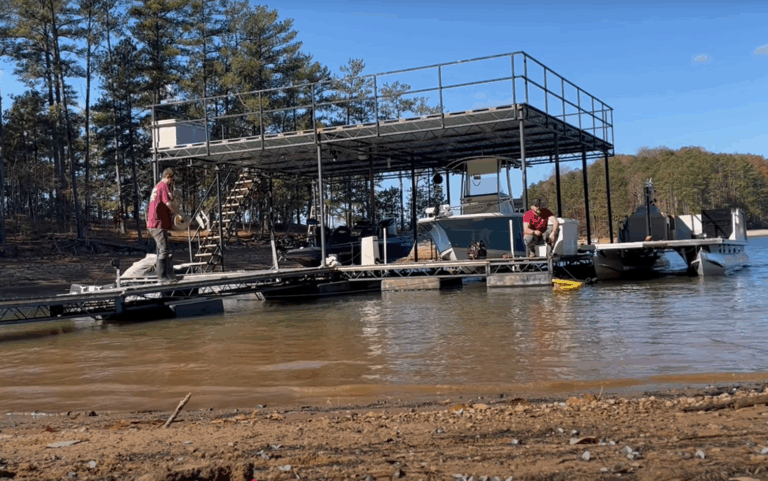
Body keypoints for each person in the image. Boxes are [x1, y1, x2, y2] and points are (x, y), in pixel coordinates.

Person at [147, 168, 179, 283]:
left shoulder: (157, 187)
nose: (172, 183)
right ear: (168, 177)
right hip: (157, 223)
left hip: (158, 223)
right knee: (164, 250)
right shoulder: (163, 186)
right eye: (172, 180)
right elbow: (168, 202)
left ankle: (169, 274)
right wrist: (178, 214)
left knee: (166, 249)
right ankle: (162, 277)